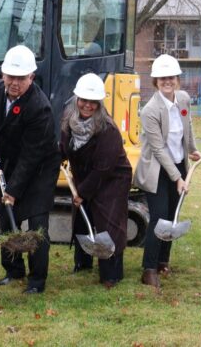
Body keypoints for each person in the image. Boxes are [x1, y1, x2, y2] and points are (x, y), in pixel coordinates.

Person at [0, 45, 58, 294]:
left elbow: (31, 156)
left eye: (21, 78)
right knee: (7, 218)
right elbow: (0, 124)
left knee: (37, 224)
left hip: (40, 167)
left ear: (32, 77)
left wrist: (14, 190)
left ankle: (36, 281)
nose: (14, 83)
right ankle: (13, 270)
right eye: (10, 77)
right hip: (12, 160)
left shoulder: (40, 108)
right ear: (3, 76)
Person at [134, 54, 201, 289]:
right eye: (162, 78)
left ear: (177, 79)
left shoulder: (183, 100)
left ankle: (163, 261)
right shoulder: (150, 110)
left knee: (172, 216)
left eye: (171, 77)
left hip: (178, 164)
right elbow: (159, 149)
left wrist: (192, 149)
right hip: (157, 172)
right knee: (160, 219)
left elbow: (187, 126)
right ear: (155, 81)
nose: (167, 81)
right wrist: (177, 178)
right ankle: (149, 269)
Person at [62, 73, 132, 289]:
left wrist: (81, 193)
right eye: (84, 100)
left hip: (113, 179)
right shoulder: (69, 121)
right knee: (82, 219)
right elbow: (64, 148)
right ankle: (82, 264)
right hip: (84, 177)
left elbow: (102, 170)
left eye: (93, 102)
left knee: (108, 223)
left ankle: (111, 273)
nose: (88, 105)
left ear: (99, 103)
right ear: (77, 99)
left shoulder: (107, 129)